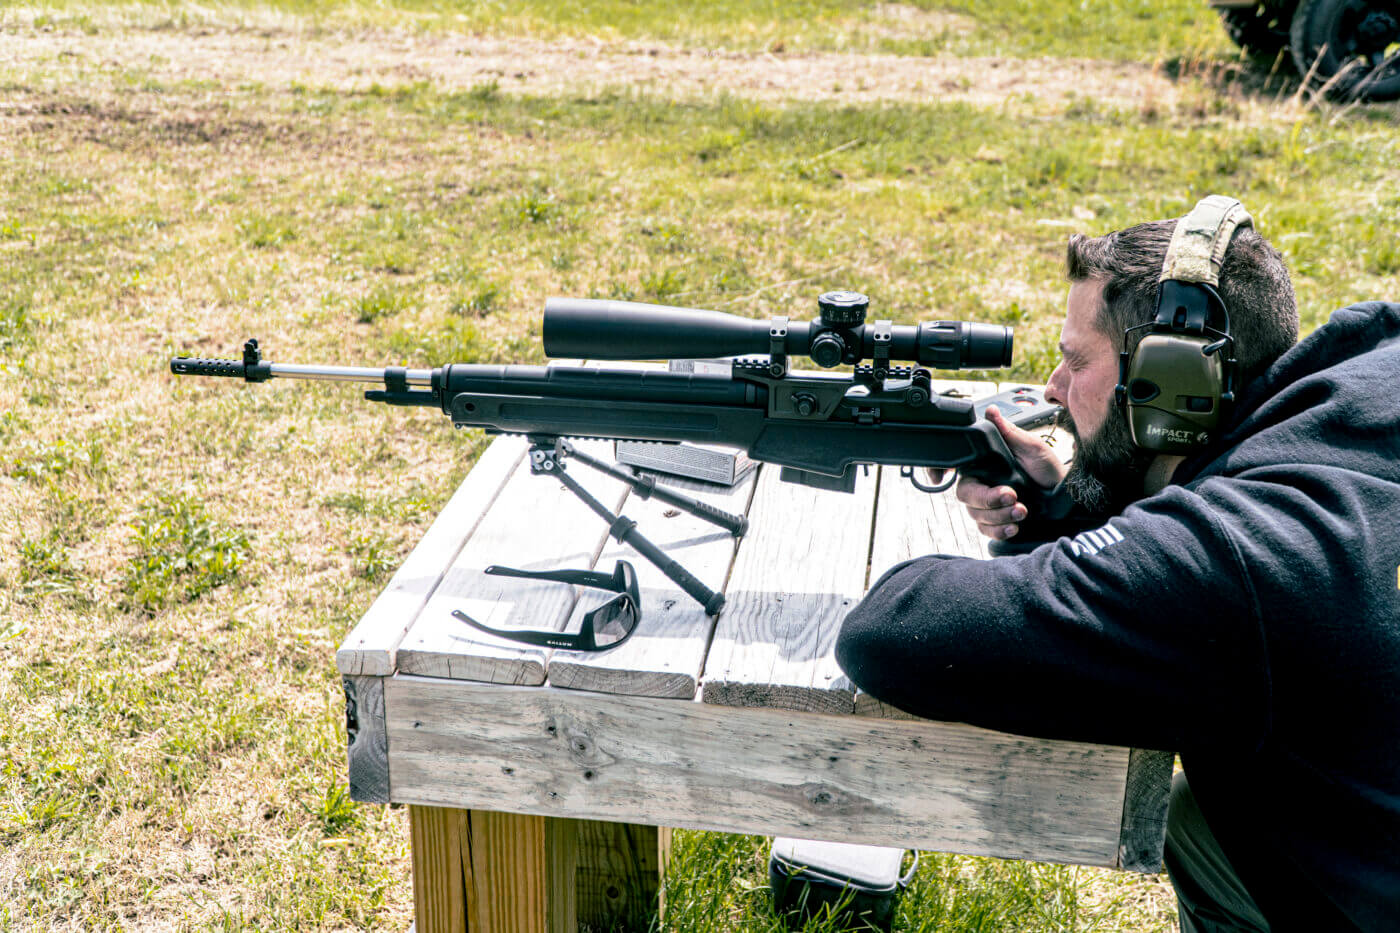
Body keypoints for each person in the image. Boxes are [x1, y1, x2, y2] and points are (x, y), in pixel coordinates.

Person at [834, 201, 1400, 931]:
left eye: (1076, 360)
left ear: (1172, 382)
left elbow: (895, 629)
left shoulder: (1239, 555)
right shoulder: (1370, 381)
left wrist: (1104, 547)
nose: (1053, 389)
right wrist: (1074, 507)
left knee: (1210, 811)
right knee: (1210, 810)